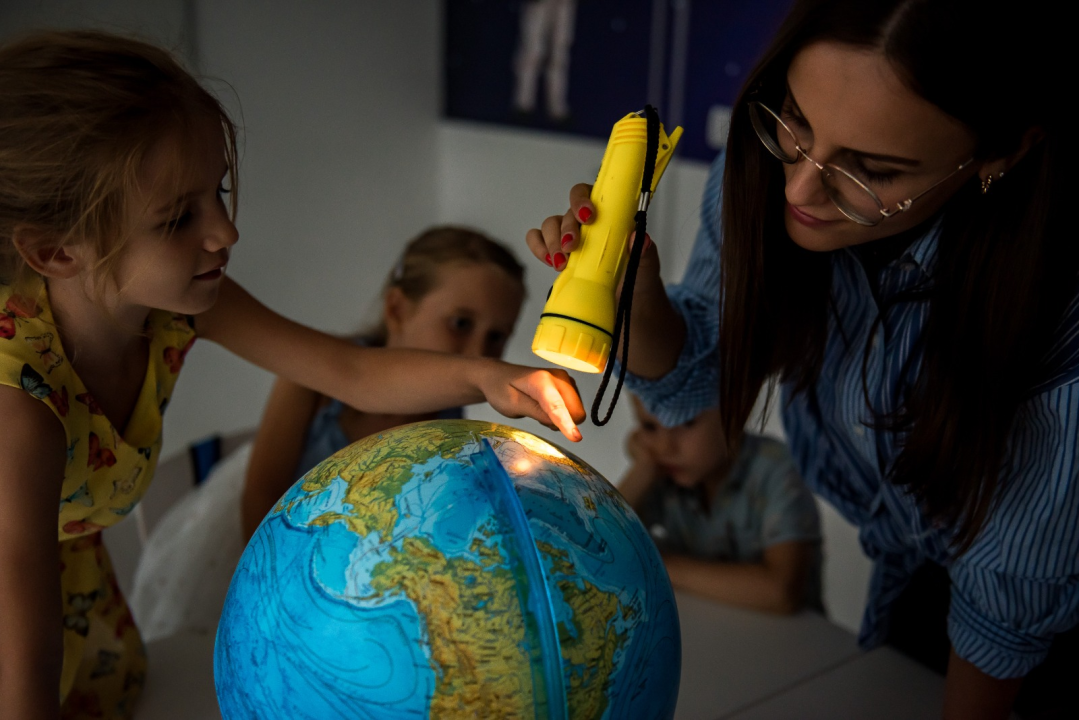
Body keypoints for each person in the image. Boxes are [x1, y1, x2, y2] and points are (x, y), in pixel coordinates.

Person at [0, 31, 584, 718]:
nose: (224, 231)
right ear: (55, 252)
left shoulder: (173, 307)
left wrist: (487, 377)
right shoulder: (18, 414)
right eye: (177, 218)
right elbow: (22, 664)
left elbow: (351, 371)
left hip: (85, 629)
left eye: (217, 191)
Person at [526, 1, 1074, 717]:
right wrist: (633, 289)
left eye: (871, 170)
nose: (799, 189)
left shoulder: (1052, 304)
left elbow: (1007, 602)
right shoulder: (769, 167)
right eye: (794, 122)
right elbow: (695, 377)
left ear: (1000, 156)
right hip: (920, 584)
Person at [128, 226, 529, 642]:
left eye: (497, 336)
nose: (479, 352)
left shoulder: (454, 426)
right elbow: (263, 493)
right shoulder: (311, 383)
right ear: (397, 309)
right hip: (270, 553)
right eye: (460, 323)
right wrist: (283, 595)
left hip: (358, 585)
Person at [619, 396, 822, 615]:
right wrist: (642, 469)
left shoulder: (777, 467)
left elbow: (781, 593)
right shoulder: (665, 473)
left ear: (734, 415)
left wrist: (656, 563)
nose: (665, 447)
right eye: (649, 426)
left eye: (686, 422)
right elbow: (605, 539)